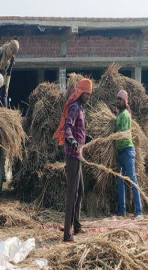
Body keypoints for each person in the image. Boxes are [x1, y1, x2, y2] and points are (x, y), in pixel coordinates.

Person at [54, 79, 92, 242]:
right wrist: (72, 140)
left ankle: (76, 225)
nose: (89, 97)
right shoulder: (76, 107)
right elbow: (68, 127)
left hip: (79, 156)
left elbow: (78, 129)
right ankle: (67, 234)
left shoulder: (82, 108)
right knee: (72, 193)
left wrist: (85, 138)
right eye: (87, 94)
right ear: (82, 93)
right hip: (73, 156)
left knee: (80, 190)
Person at [115, 90, 143, 220]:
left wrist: (111, 138)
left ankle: (139, 212)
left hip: (127, 151)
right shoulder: (121, 114)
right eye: (117, 99)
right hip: (121, 152)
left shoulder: (125, 115)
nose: (118, 101)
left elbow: (123, 133)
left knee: (132, 180)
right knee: (120, 181)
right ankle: (122, 211)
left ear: (125, 101)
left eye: (120, 99)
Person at [0, 40, 19, 107]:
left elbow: (8, 74)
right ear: (10, 48)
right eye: (12, 52)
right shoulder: (1, 51)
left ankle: (5, 110)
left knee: (4, 96)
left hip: (3, 79)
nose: (12, 54)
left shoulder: (12, 59)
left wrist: (7, 88)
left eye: (14, 53)